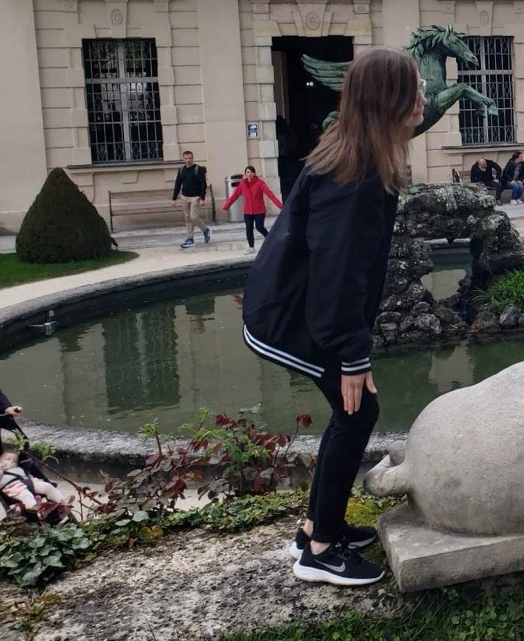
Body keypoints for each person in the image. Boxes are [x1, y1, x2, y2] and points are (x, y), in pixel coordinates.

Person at [241, 48, 425, 587]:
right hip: (294, 317)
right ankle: (320, 550)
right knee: (358, 412)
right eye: (413, 89)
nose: (422, 98)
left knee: (351, 413)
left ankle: (315, 529)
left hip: (304, 309)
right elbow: (338, 273)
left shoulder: (360, 157)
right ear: (388, 100)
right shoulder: (356, 176)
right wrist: (352, 355)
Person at [0, 450, 71, 524]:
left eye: (14, 460)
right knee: (27, 496)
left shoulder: (19, 469)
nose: (11, 461)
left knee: (47, 486)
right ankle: (36, 510)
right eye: (7, 459)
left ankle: (62, 501)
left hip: (29, 483)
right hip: (14, 487)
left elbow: (28, 475)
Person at [222, 166, 282, 254]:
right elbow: (234, 196)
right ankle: (251, 247)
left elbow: (270, 194)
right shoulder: (242, 184)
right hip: (247, 211)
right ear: (245, 174)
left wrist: (280, 205)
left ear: (254, 173)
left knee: (259, 227)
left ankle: (271, 240)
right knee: (249, 229)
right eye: (248, 172)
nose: (250, 174)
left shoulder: (260, 183)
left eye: (251, 172)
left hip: (259, 210)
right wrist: (226, 206)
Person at [172, 149, 210, 250]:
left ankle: (205, 230)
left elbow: (203, 184)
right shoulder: (181, 170)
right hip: (185, 197)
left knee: (194, 217)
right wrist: (174, 198)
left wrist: (202, 198)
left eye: (190, 158)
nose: (188, 160)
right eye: (186, 158)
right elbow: (178, 184)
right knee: (187, 217)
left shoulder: (198, 169)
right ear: (183, 159)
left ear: (193, 158)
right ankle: (190, 238)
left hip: (195, 197)